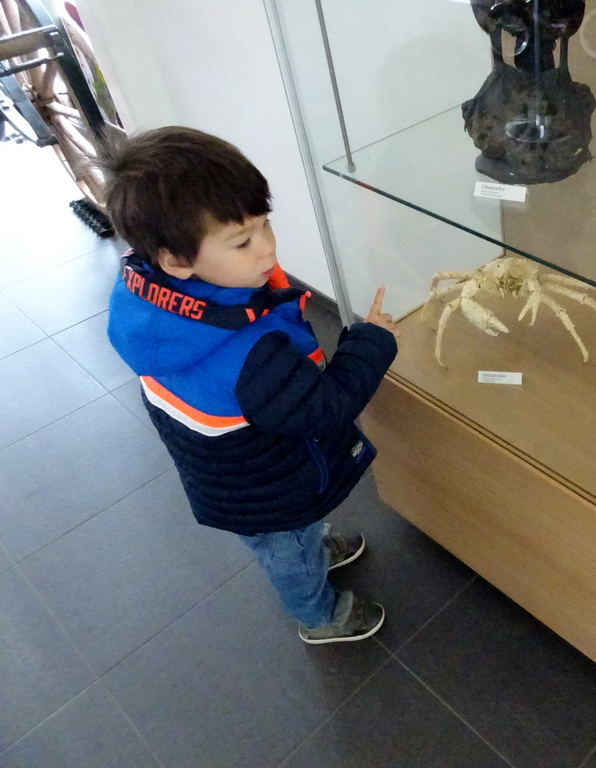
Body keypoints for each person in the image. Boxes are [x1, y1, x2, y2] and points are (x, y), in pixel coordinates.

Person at [102, 126, 399, 644]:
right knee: (289, 553)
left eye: (264, 224)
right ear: (176, 259)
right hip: (268, 494)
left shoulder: (145, 292)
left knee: (291, 542)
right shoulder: (249, 353)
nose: (267, 250)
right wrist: (370, 343)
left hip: (230, 474)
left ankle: (310, 550)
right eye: (242, 241)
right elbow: (324, 408)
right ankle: (319, 616)